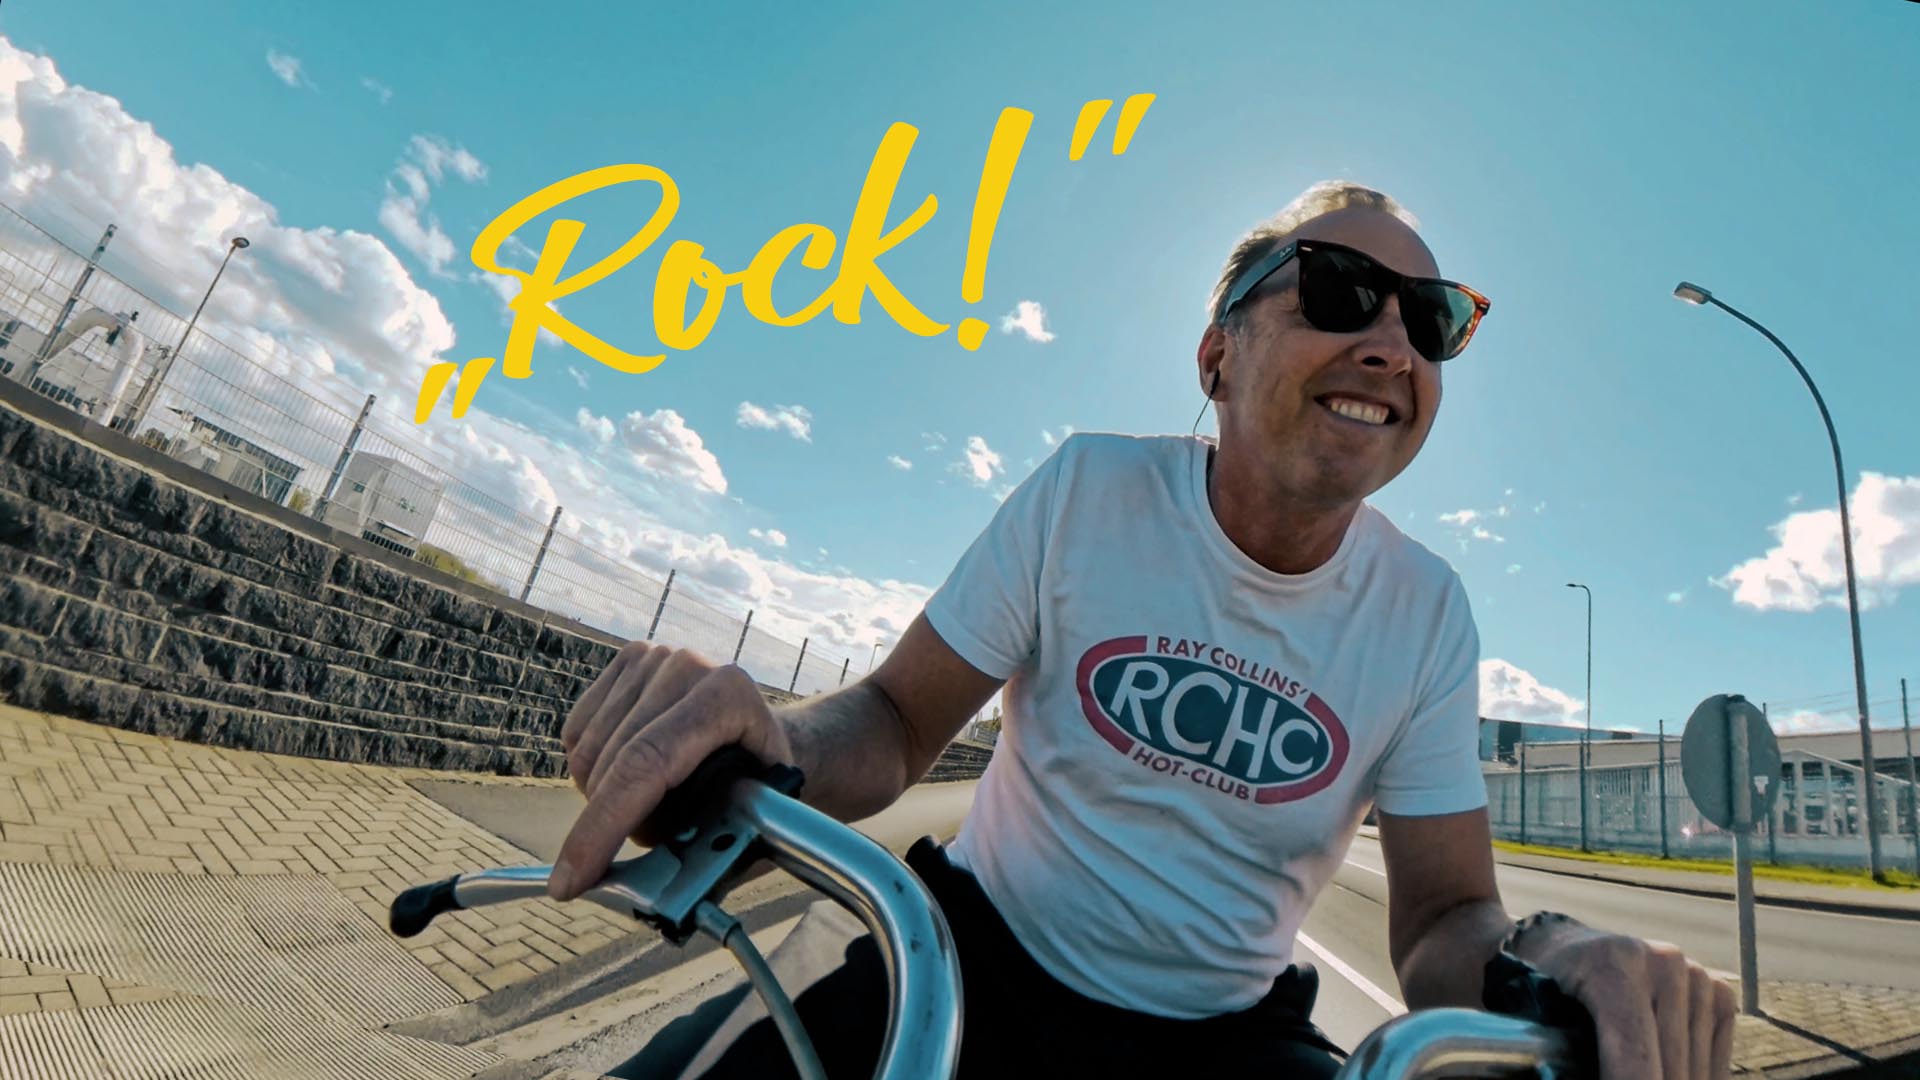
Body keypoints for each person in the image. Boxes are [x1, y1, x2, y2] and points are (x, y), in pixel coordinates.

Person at [551, 181, 1738, 1079]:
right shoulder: (1089, 493)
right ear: (1219, 355)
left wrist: (1551, 955)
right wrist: (773, 745)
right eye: (1336, 292)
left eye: (1432, 321)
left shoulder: (1427, 615)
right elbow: (901, 720)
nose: (1390, 344)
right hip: (963, 953)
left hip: (1227, 1038)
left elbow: (1440, 920)